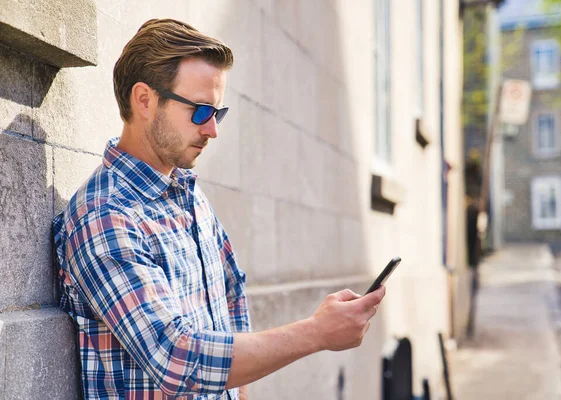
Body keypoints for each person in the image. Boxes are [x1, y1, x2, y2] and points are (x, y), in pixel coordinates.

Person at [53, 18, 385, 400]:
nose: (212, 130)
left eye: (217, 113)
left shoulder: (187, 193)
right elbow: (175, 357)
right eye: (200, 112)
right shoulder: (104, 213)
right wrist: (317, 332)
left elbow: (231, 300)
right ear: (144, 100)